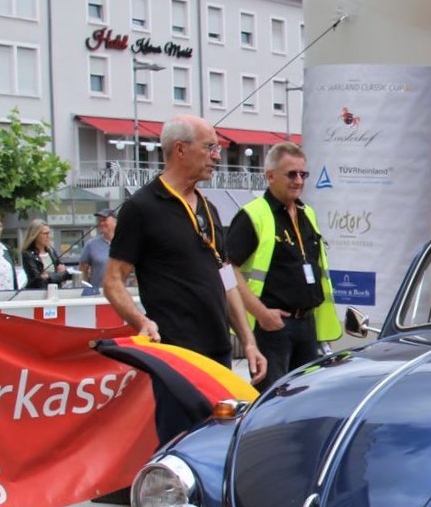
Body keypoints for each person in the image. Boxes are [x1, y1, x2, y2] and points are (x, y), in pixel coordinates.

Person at [104, 115, 265, 381]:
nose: (216, 156)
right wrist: (141, 322)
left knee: (219, 424)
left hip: (219, 351)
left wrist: (248, 341)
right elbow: (112, 280)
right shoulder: (141, 207)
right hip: (176, 352)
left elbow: (226, 279)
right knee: (182, 425)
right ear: (180, 149)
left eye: (218, 149)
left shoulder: (209, 208)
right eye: (209, 147)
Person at [226, 142, 342, 391]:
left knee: (306, 400)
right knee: (274, 402)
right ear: (270, 176)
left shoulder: (306, 213)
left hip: (307, 324)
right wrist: (260, 313)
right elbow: (225, 270)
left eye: (303, 174)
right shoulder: (253, 215)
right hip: (272, 328)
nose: (298, 181)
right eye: (291, 174)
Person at [20, 220, 74, 290]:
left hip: (55, 291)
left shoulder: (51, 251)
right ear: (35, 235)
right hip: (38, 293)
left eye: (49, 233)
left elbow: (65, 274)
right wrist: (57, 275)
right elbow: (37, 280)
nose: (48, 236)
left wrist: (48, 276)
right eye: (45, 233)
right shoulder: (28, 254)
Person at [77, 208, 116, 295]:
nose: (101, 223)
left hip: (122, 293)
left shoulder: (126, 243)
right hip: (98, 295)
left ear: (115, 222)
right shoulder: (91, 244)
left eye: (104, 220)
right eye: (99, 221)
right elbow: (83, 269)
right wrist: (86, 289)